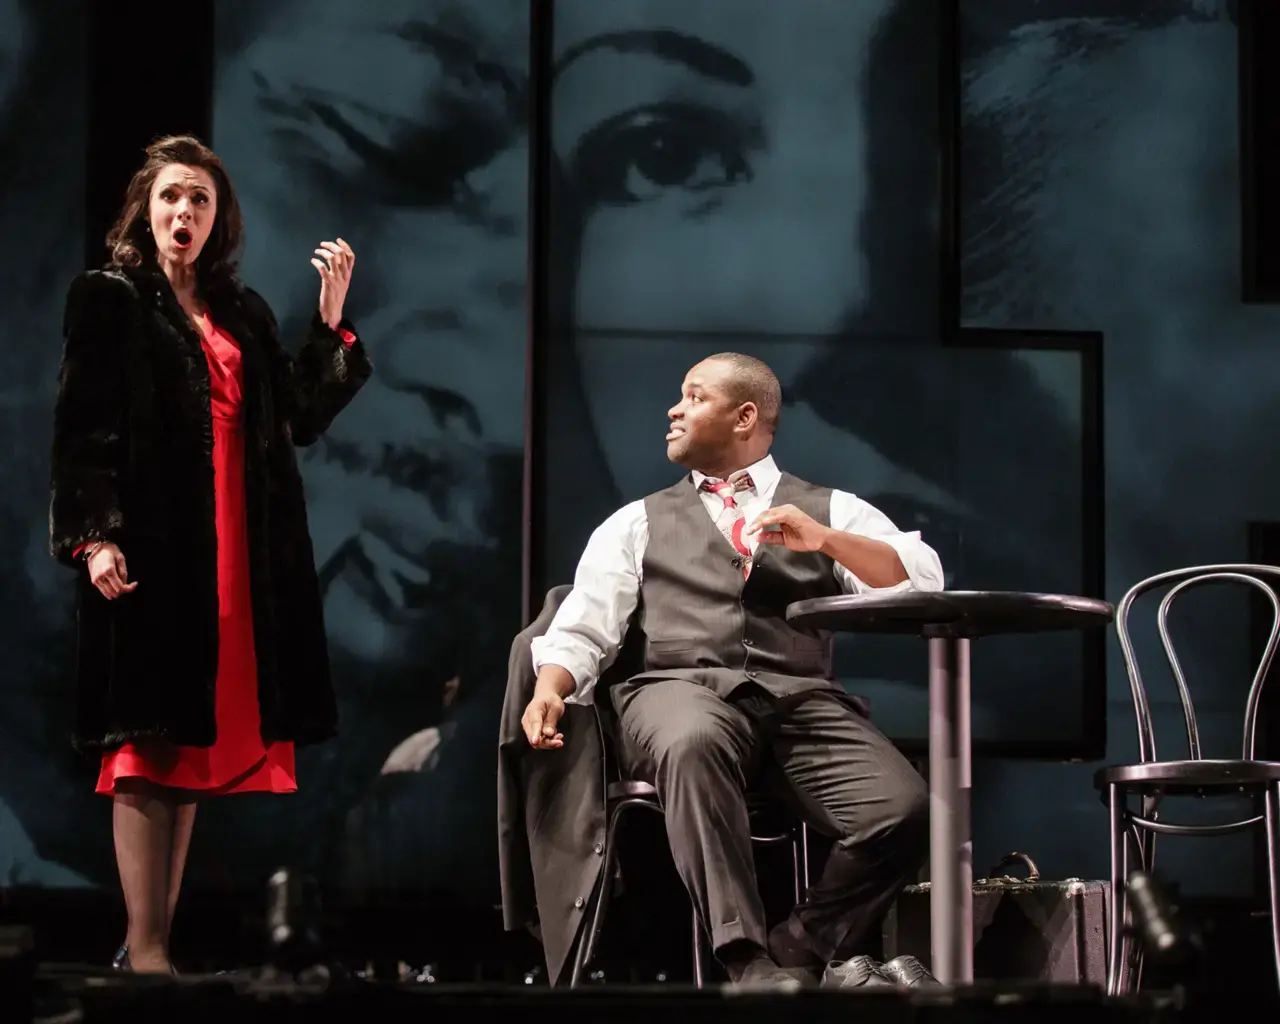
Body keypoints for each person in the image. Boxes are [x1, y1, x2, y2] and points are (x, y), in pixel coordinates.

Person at [48, 134, 372, 974]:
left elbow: (298, 417)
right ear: (144, 211)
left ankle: (149, 942)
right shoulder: (110, 299)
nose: (184, 212)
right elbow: (83, 431)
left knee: (190, 746)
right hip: (156, 547)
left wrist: (330, 326)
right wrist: (94, 536)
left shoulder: (242, 312)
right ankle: (147, 946)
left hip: (238, 547)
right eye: (170, 198)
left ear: (218, 216)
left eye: (199, 199)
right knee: (146, 744)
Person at [519, 352, 943, 988]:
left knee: (906, 808)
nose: (673, 409)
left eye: (693, 397)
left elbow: (919, 583)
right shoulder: (636, 522)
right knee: (693, 740)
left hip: (798, 701)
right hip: (675, 692)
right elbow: (583, 628)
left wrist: (824, 540)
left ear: (745, 416)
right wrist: (548, 690)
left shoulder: (828, 508)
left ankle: (798, 947)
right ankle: (744, 961)